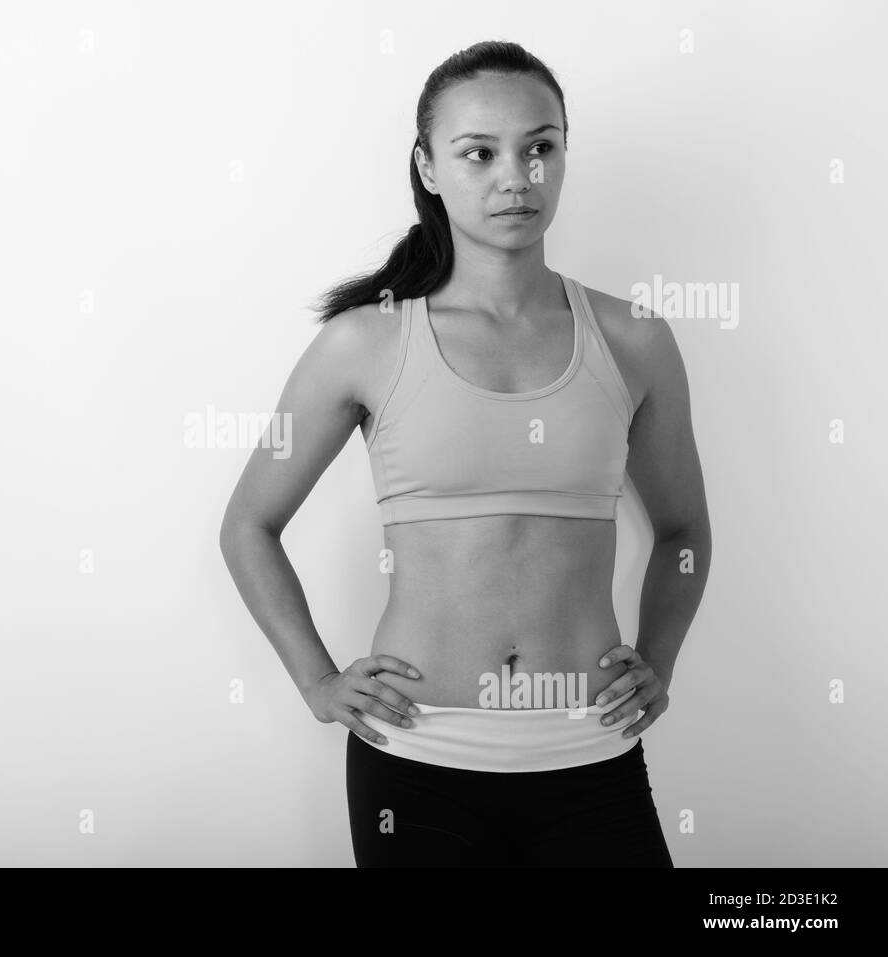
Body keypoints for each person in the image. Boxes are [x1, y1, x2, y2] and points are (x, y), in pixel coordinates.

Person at [218, 40, 711, 867]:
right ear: (429, 166)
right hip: (414, 762)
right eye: (478, 152)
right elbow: (248, 525)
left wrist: (659, 660)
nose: (515, 175)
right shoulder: (363, 343)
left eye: (540, 147)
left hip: (590, 755)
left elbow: (685, 529)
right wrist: (317, 679)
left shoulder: (635, 338)